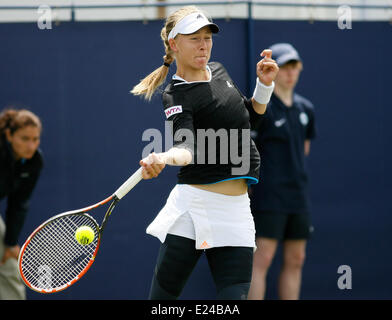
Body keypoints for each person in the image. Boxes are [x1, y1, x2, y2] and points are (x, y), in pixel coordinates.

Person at [131, 6, 279, 299]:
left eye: (207, 37)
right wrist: (163, 157)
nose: (203, 44)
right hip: (193, 208)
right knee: (162, 301)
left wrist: (264, 86)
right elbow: (188, 148)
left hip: (236, 211)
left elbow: (248, 119)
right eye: (194, 38)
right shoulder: (176, 94)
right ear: (174, 44)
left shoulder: (220, 70)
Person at [247, 43, 316, 300]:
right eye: (284, 66)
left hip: (298, 197)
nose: (290, 72)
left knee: (296, 259)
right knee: (262, 259)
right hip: (268, 196)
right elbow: (248, 151)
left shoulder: (306, 109)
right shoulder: (262, 108)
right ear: (274, 69)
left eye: (294, 66)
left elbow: (304, 149)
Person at [0, 108, 43, 300]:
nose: (31, 146)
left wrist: (10, 243)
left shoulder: (34, 162)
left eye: (35, 139)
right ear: (9, 135)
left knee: (8, 262)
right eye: (25, 139)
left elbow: (19, 203)